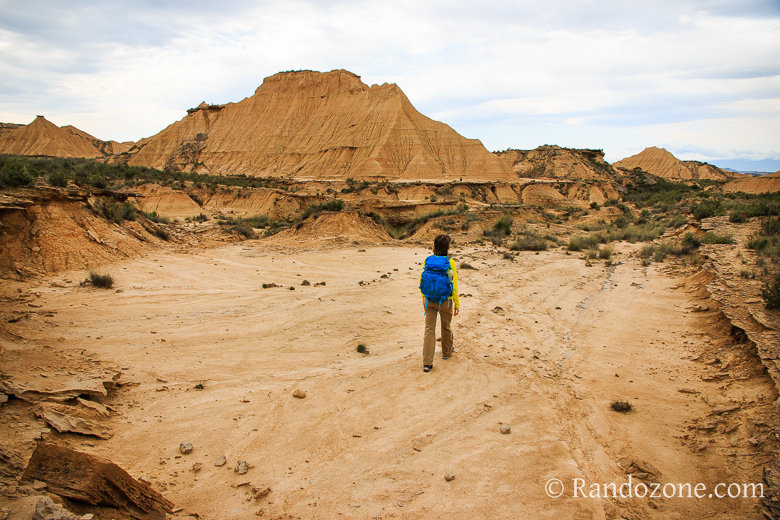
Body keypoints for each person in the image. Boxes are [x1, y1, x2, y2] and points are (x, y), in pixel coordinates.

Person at [419, 234, 459, 372]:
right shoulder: (450, 262)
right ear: (447, 247)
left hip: (429, 299)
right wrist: (456, 303)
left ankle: (427, 363)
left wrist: (424, 297)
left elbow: (421, 279)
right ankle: (447, 353)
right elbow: (454, 284)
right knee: (446, 326)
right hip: (445, 300)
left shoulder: (427, 260)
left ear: (435, 246)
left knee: (429, 329)